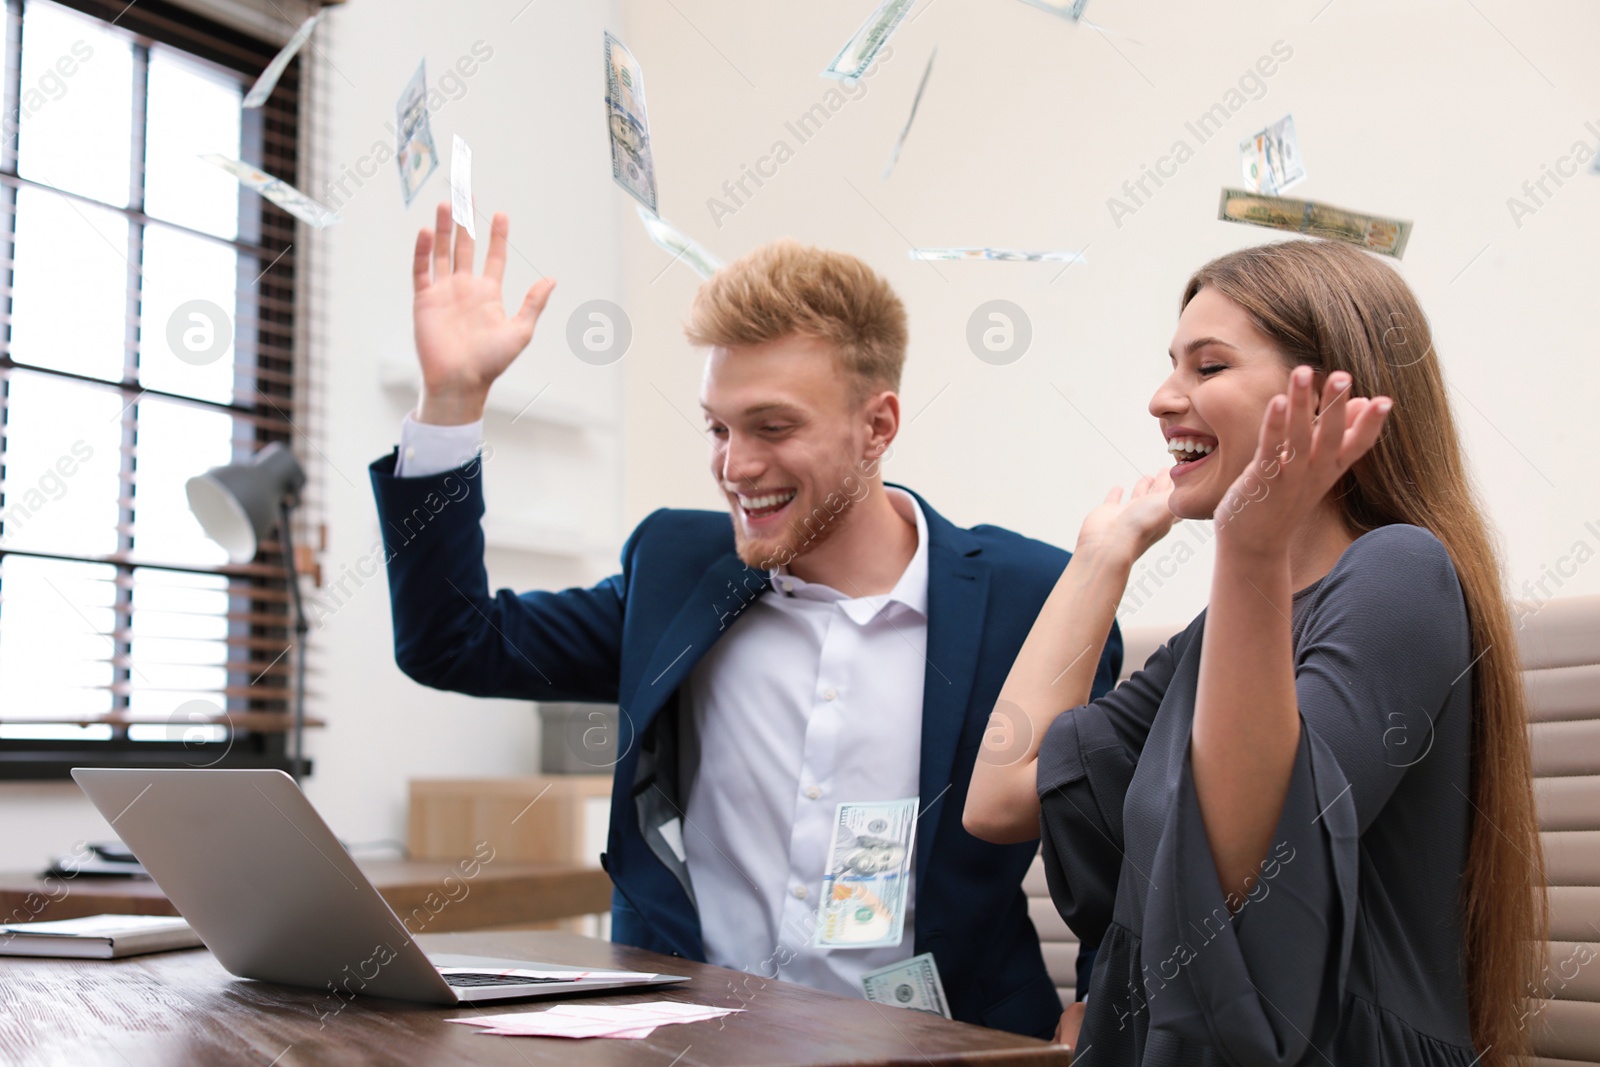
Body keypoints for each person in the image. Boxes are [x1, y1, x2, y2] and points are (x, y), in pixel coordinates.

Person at [368, 204, 1124, 1037]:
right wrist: (450, 402)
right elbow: (455, 640)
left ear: (878, 426)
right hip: (691, 1045)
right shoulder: (677, 571)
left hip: (950, 1045)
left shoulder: (1036, 598)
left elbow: (1114, 840)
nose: (735, 465)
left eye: (772, 427)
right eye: (718, 427)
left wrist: (1098, 1006)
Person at [963, 239, 1546, 1064]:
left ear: (1325, 397)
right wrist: (1102, 555)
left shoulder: (1400, 569)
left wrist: (1249, 547)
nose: (1163, 398)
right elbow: (999, 798)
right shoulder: (1224, 630)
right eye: (1172, 365)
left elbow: (1245, 874)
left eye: (1208, 366)